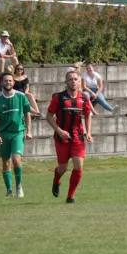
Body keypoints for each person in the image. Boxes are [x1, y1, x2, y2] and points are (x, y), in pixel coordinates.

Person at [46, 70, 93, 204]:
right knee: (63, 168)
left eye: (75, 79)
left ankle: (70, 196)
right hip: (62, 138)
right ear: (66, 82)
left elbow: (88, 115)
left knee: (78, 166)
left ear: (79, 81)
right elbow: (48, 116)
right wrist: (59, 130)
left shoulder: (84, 98)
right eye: (70, 79)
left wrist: (88, 132)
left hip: (78, 138)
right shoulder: (59, 98)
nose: (73, 81)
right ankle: (56, 180)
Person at [0, 72, 32, 198]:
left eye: (10, 81)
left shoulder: (21, 96)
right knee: (6, 162)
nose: (8, 82)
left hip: (17, 132)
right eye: (6, 80)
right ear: (1, 82)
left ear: (14, 82)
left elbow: (27, 113)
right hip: (3, 133)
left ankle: (19, 186)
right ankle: (9, 190)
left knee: (16, 159)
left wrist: (29, 131)